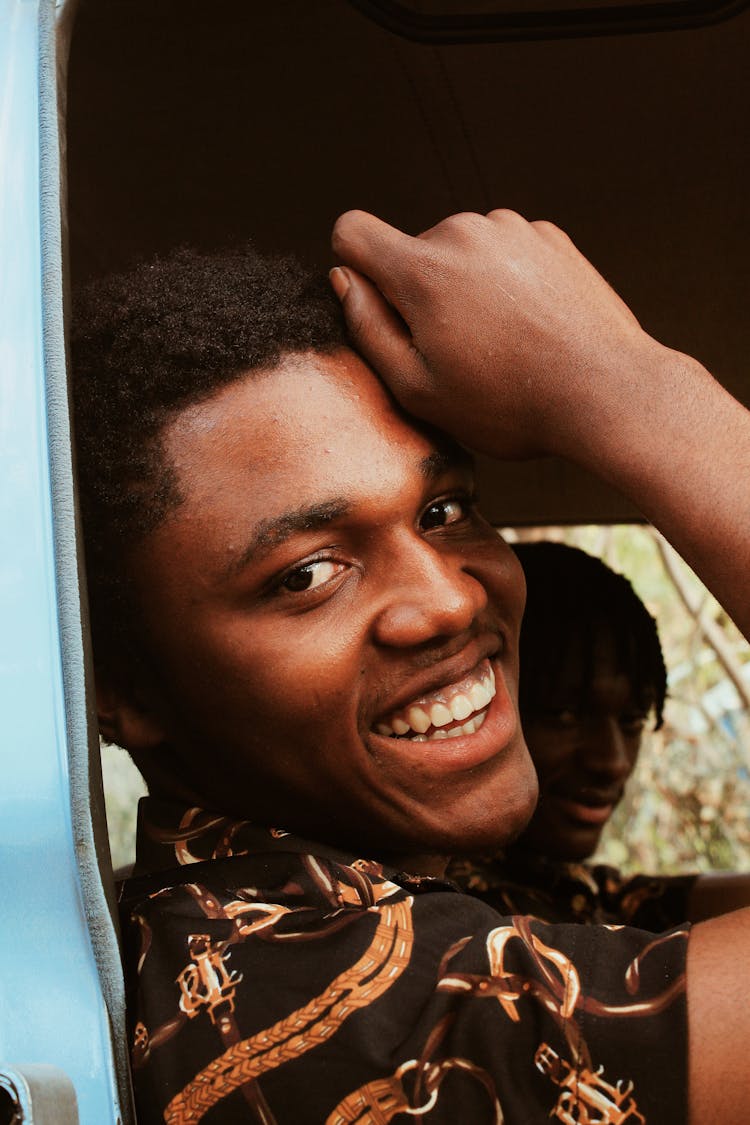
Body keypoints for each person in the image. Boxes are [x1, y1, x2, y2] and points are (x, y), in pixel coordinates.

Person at [70, 211, 750, 1123]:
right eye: (308, 573)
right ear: (125, 690)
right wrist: (623, 384)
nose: (450, 600)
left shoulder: (420, 883)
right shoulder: (322, 997)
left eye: (443, 510)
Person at [449, 540, 750, 930]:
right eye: (565, 715)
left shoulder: (570, 889)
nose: (613, 761)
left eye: (633, 720)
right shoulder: (471, 915)